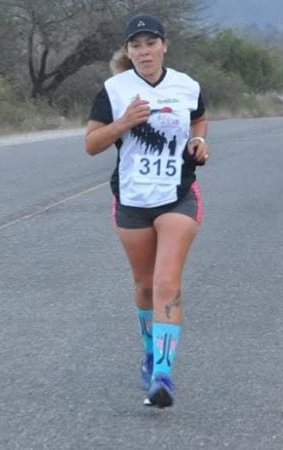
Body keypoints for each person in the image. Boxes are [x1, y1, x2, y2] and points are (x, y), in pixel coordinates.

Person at [84, 14, 209, 408]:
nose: (143, 51)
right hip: (132, 200)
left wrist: (199, 142)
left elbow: (199, 118)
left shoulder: (186, 86)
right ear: (128, 51)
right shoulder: (114, 89)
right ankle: (150, 352)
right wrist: (123, 122)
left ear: (164, 45)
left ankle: (163, 375)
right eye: (135, 45)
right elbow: (91, 144)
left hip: (178, 196)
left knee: (166, 281)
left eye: (150, 43)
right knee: (144, 285)